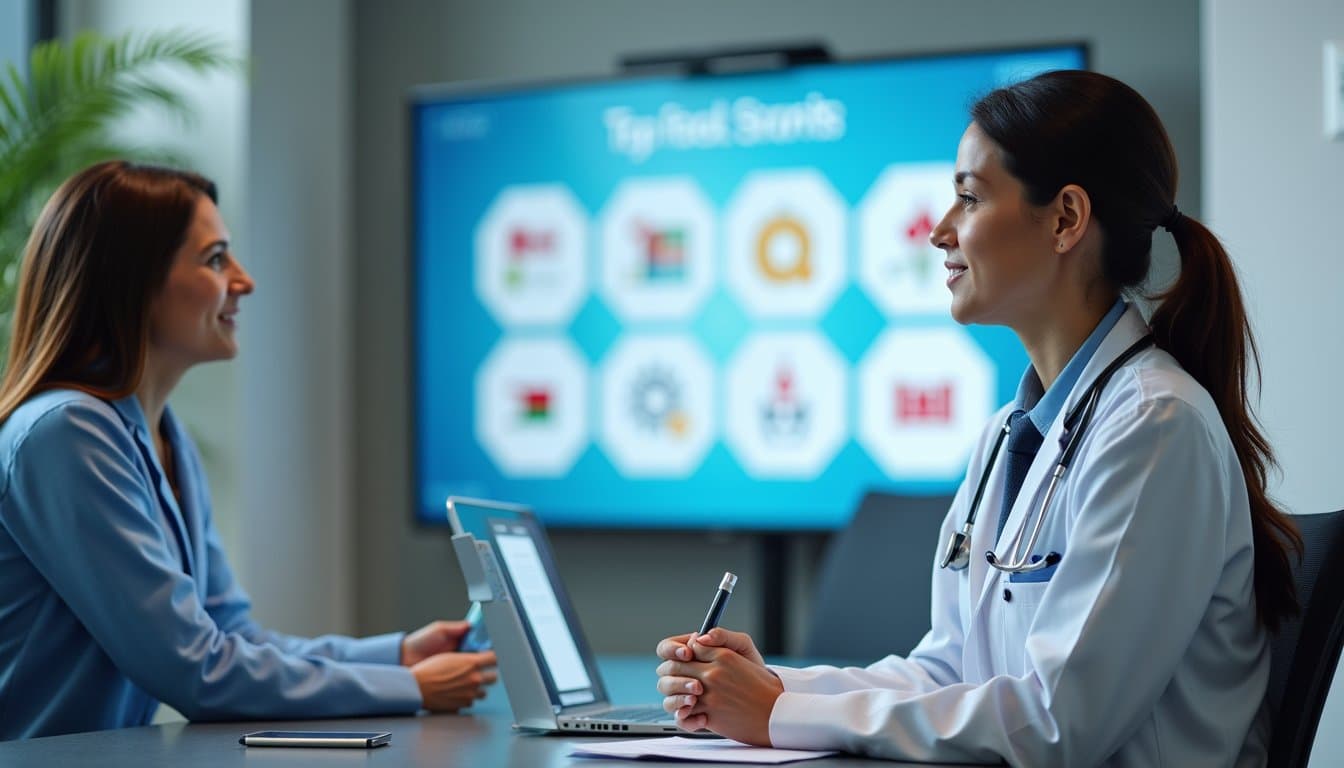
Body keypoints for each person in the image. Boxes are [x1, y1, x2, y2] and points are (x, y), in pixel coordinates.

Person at [655, 70, 1301, 767]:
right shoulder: (1010, 434)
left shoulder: (1154, 425)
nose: (938, 232)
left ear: (1065, 219)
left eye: (968, 197)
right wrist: (770, 686)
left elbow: (1059, 724)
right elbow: (948, 673)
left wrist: (783, 714)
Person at [0, 161, 496, 740]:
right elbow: (197, 671)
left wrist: (397, 656)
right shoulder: (65, 434)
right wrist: (411, 689)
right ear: (133, 283)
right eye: (215, 259)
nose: (244, 280)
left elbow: (231, 636)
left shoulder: (165, 438)